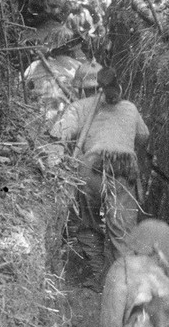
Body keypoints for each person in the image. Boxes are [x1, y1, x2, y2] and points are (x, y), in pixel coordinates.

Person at [50, 66, 150, 273]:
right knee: (122, 229)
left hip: (91, 168)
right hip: (123, 168)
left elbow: (58, 132)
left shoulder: (78, 107)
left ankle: (95, 275)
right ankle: (123, 285)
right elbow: (143, 136)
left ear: (81, 89)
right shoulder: (129, 107)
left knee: (89, 222)